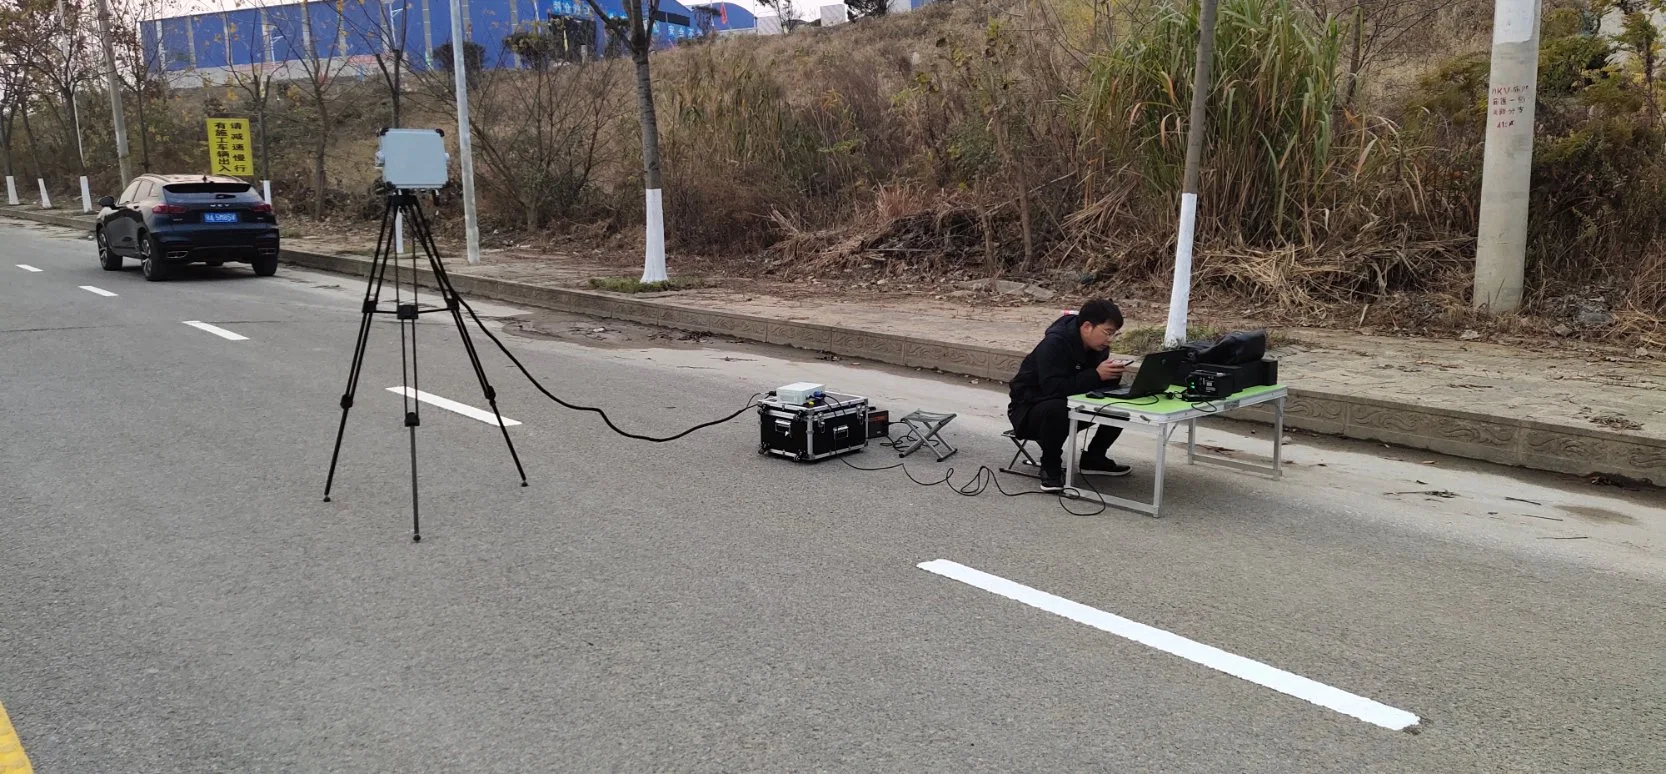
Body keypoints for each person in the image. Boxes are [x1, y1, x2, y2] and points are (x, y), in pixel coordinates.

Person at [1007, 299, 1133, 491]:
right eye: (1107, 332)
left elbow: (1093, 384)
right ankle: (1050, 466)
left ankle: (1095, 457)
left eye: (1114, 334)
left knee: (1118, 402)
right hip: (1029, 410)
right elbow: (1052, 388)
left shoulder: (1099, 348)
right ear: (1087, 326)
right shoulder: (1054, 344)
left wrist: (1110, 375)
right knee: (1057, 407)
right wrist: (1096, 374)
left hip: (1072, 403)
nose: (1110, 340)